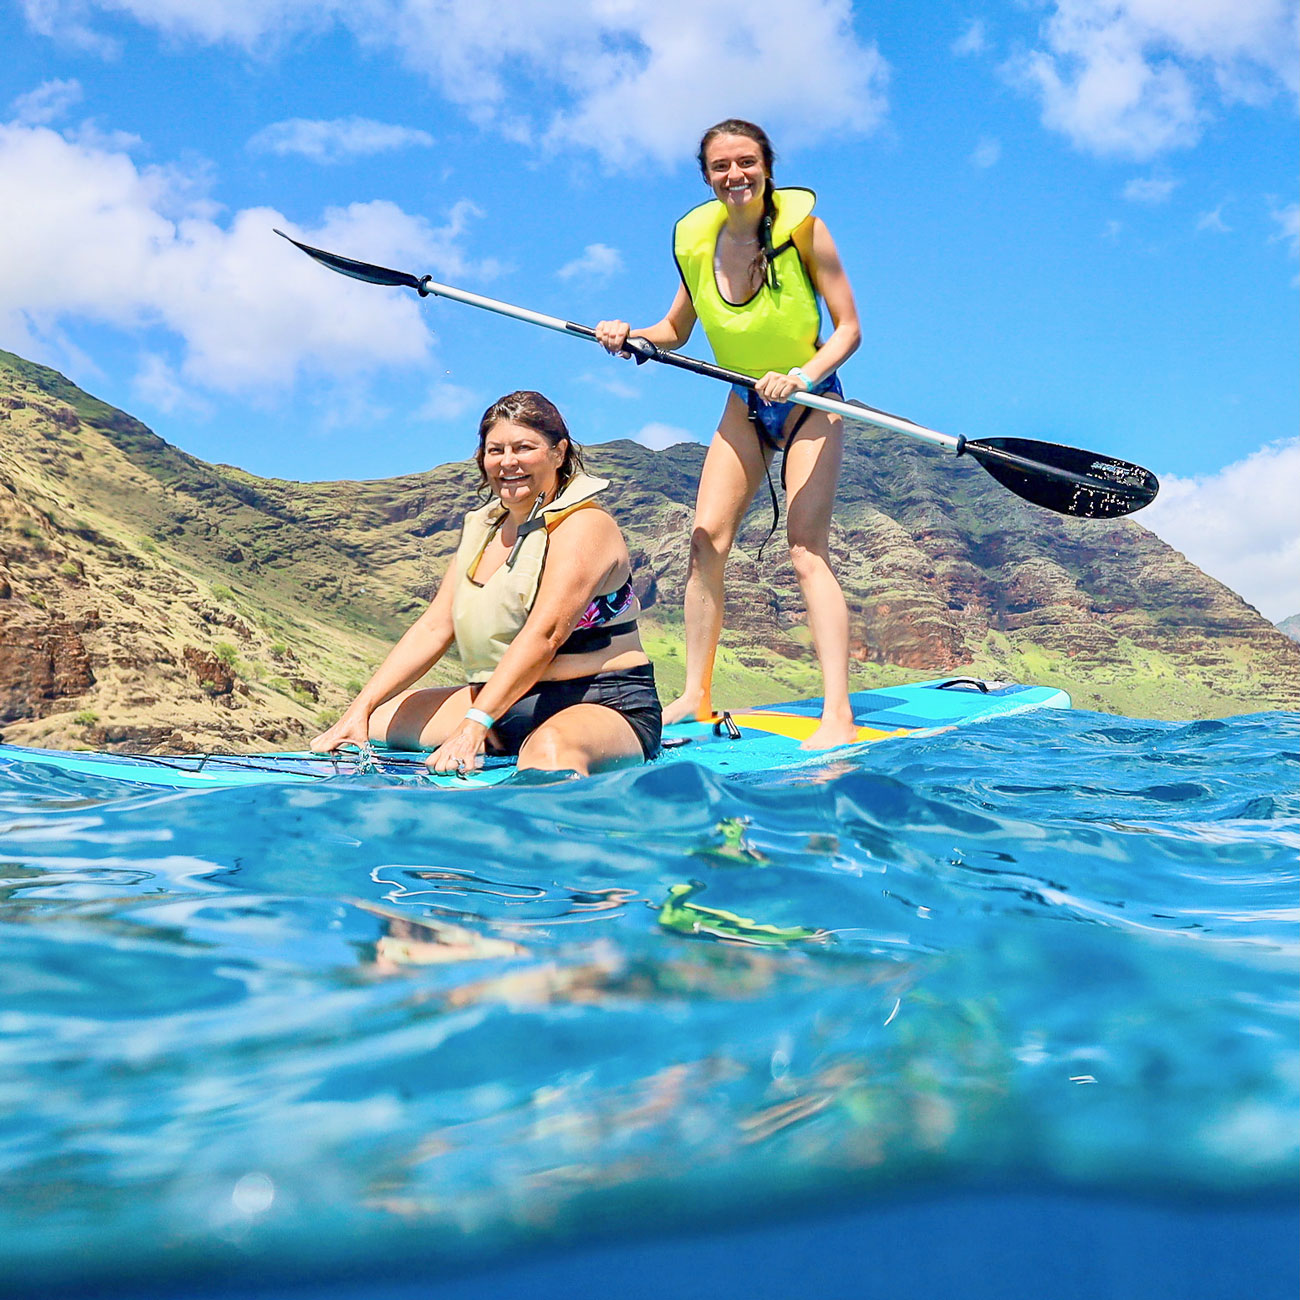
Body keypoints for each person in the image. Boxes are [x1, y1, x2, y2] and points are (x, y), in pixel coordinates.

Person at [596, 118, 862, 749]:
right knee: (705, 540)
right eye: (721, 166)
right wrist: (629, 333)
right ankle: (697, 695)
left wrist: (802, 375)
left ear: (767, 167)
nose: (735, 175)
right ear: (708, 176)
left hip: (811, 398)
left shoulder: (805, 234)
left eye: (746, 163)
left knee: (805, 551)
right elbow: (675, 330)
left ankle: (839, 715)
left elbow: (849, 330)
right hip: (744, 398)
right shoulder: (697, 244)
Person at [311, 391, 661, 777]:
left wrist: (474, 724)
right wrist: (359, 708)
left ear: (558, 453)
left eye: (523, 448)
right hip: (504, 703)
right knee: (380, 721)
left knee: (548, 751)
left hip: (602, 700)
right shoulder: (486, 531)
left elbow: (546, 634)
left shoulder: (586, 525)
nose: (508, 462)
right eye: (496, 450)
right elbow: (434, 626)